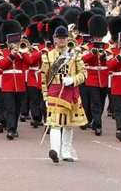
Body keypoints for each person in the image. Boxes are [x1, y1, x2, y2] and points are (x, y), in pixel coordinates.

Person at [40, 26, 87, 163]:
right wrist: (45, 96)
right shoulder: (48, 56)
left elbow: (84, 74)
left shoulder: (75, 54)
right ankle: (54, 150)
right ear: (54, 39)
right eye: (59, 38)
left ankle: (66, 151)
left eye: (64, 38)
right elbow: (44, 78)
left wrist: (73, 80)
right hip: (54, 91)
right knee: (54, 123)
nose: (62, 40)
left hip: (70, 91)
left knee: (68, 124)